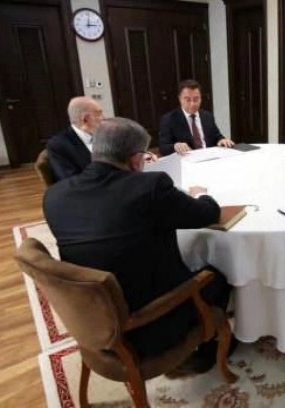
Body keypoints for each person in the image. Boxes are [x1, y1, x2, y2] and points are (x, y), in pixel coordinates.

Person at [43, 117, 234, 373]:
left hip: (92, 319)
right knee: (218, 276)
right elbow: (207, 214)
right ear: (135, 160)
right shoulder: (150, 187)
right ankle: (207, 351)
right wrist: (200, 194)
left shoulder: (54, 196)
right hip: (149, 324)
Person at [158, 79, 234, 156]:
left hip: (209, 157)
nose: (193, 104)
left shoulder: (207, 116)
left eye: (196, 99)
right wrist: (175, 146)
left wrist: (222, 140)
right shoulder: (169, 119)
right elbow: (163, 148)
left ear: (201, 98)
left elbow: (217, 136)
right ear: (180, 99)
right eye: (188, 100)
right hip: (187, 159)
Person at [46, 96, 104, 181]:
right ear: (85, 120)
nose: (103, 118)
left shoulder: (104, 135)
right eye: (99, 113)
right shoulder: (58, 145)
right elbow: (70, 180)